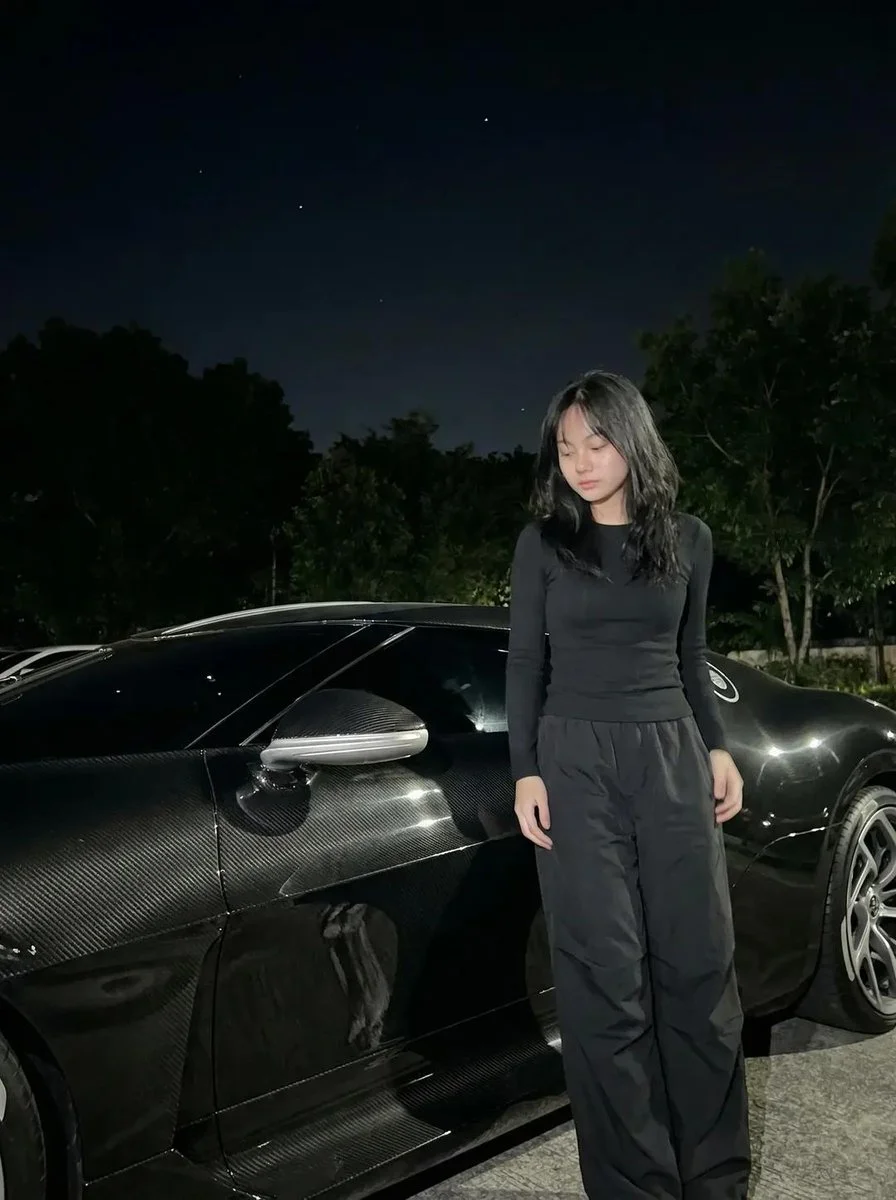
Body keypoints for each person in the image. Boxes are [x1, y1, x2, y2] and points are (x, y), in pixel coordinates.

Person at [506, 370, 751, 1200]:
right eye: (566, 447)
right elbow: (525, 662)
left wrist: (716, 748)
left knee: (699, 968)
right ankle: (633, 1187)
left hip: (672, 754)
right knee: (604, 983)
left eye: (597, 442)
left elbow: (691, 655)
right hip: (574, 763)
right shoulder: (543, 544)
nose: (580, 462)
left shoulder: (689, 538)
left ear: (632, 440)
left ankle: (714, 1180)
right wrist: (525, 770)